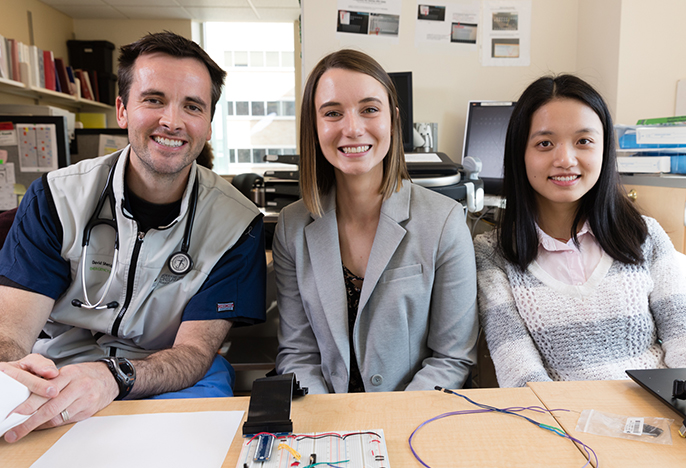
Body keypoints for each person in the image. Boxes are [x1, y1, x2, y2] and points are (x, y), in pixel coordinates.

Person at [0, 31, 266, 442]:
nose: (172, 121)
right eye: (154, 99)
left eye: (192, 106)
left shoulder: (236, 224)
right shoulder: (55, 197)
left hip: (166, 373)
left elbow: (194, 353)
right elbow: (11, 335)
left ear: (209, 124)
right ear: (123, 109)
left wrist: (112, 377)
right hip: (57, 369)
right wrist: (15, 374)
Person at [273, 49, 478, 394]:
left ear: (393, 120)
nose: (352, 128)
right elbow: (298, 354)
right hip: (327, 420)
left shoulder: (444, 221)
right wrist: (328, 422)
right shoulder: (291, 228)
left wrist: (392, 422)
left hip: (413, 417)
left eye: (369, 109)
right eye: (333, 113)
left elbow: (452, 357)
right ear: (315, 126)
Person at [474, 74, 686, 388]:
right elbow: (519, 373)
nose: (565, 159)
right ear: (520, 153)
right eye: (545, 143)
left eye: (583, 141)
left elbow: (682, 342)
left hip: (659, 418)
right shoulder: (492, 254)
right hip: (563, 426)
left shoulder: (646, 235)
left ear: (604, 150)